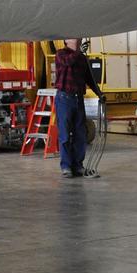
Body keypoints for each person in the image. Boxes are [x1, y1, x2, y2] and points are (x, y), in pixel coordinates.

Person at [53, 38, 103, 179]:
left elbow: (89, 79)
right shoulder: (61, 54)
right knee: (64, 134)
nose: (78, 40)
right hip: (64, 98)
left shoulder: (81, 58)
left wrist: (99, 93)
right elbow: (68, 62)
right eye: (75, 38)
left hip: (77, 98)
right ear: (66, 41)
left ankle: (78, 165)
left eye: (79, 39)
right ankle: (66, 166)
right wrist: (79, 52)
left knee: (80, 134)